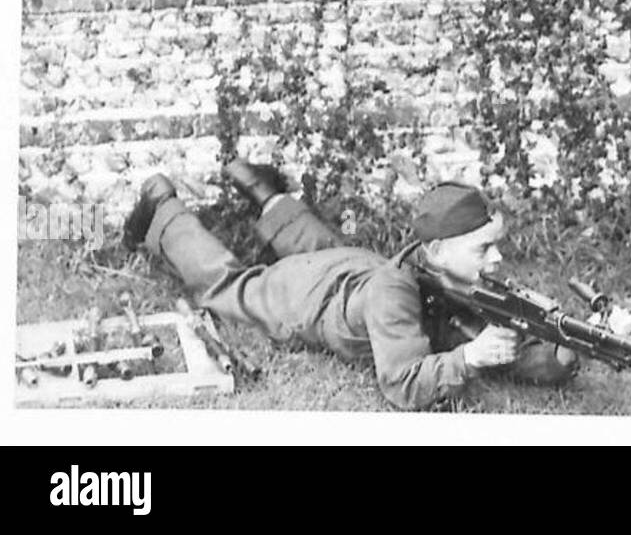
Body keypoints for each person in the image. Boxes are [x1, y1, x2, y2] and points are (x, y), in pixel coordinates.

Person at [121, 161, 577, 411]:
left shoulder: (447, 272)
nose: (497, 259)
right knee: (230, 286)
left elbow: (524, 355)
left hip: (355, 266)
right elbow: (401, 385)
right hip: (310, 297)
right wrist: (469, 357)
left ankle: (263, 191)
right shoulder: (393, 296)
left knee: (324, 245)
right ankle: (162, 206)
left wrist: (569, 341)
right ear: (436, 252)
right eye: (483, 250)